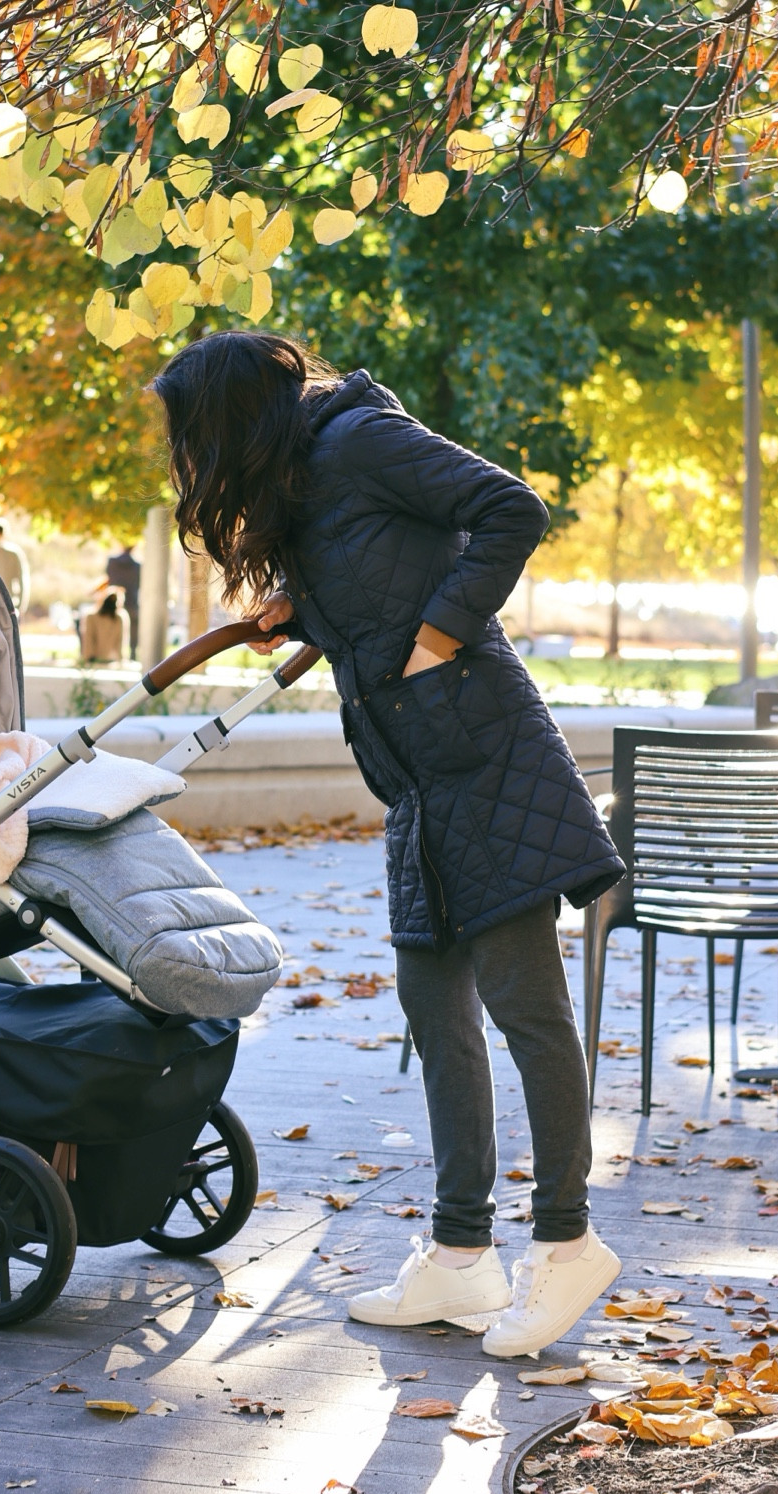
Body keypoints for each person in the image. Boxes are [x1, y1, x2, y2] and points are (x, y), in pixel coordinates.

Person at [154, 332, 625, 1359]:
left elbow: (511, 509)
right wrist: (302, 612)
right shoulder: (306, 479)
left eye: (194, 436)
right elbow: (382, 580)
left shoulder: (360, 440)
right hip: (417, 780)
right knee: (435, 1010)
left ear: (235, 417)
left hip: (485, 756)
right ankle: (461, 1254)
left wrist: (443, 634)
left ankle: (567, 1239)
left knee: (526, 1009)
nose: (191, 460)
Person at [104, 543, 141, 658]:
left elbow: (108, 578)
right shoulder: (138, 566)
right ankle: (132, 652)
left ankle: (110, 652)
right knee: (133, 627)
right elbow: (139, 583)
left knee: (110, 625)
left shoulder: (112, 562)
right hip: (131, 600)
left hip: (113, 600)